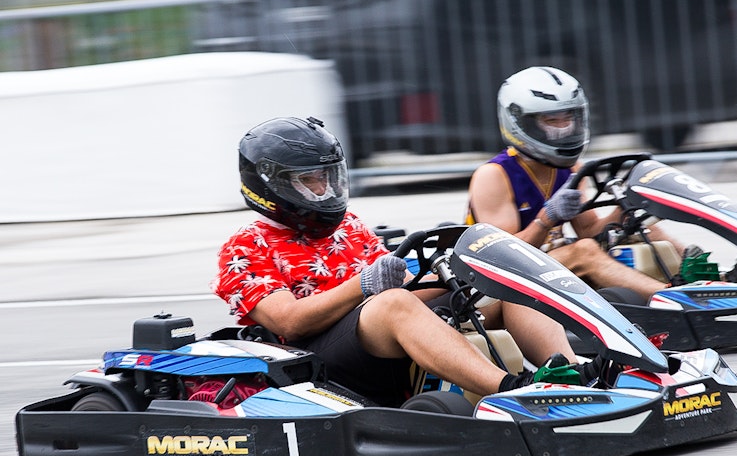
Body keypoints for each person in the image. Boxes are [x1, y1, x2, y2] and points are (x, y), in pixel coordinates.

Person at [213, 115, 585, 408]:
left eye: (326, 178)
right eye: (308, 181)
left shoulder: (349, 227)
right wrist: (364, 286)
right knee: (391, 303)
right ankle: (513, 389)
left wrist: (452, 271)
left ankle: (573, 373)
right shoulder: (245, 247)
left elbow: (403, 291)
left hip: (374, 334)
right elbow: (288, 322)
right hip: (317, 361)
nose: (323, 190)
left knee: (496, 286)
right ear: (269, 184)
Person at [465, 66, 688, 301]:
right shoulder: (494, 175)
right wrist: (547, 219)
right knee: (584, 252)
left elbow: (589, 232)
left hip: (550, 267)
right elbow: (501, 256)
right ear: (519, 122)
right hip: (495, 284)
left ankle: (705, 277)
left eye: (568, 119)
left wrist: (627, 207)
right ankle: (672, 298)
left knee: (641, 226)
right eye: (551, 121)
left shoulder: (571, 169)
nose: (563, 129)